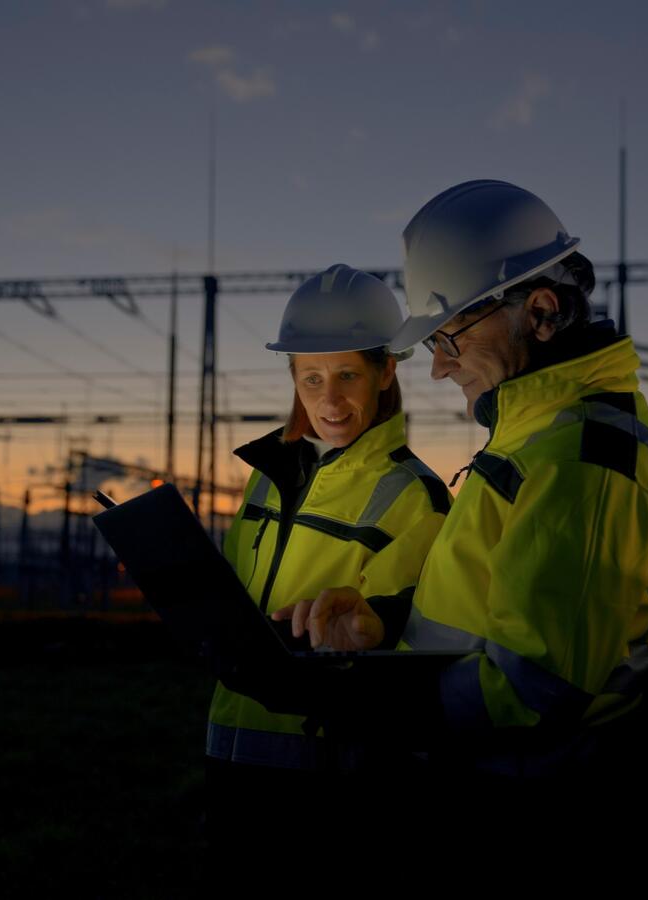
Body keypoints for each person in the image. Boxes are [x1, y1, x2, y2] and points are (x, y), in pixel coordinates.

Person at [270, 182, 648, 864]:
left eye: (448, 337)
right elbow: (487, 609)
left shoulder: (584, 461)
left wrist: (373, 704)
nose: (437, 367)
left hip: (523, 816)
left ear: (542, 313)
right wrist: (384, 626)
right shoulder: (538, 439)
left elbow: (532, 688)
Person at [205, 263, 450, 873]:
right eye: (311, 379)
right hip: (231, 750)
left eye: (347, 375)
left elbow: (411, 644)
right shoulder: (267, 478)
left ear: (386, 371)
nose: (329, 399)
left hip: (330, 776)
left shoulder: (414, 497)